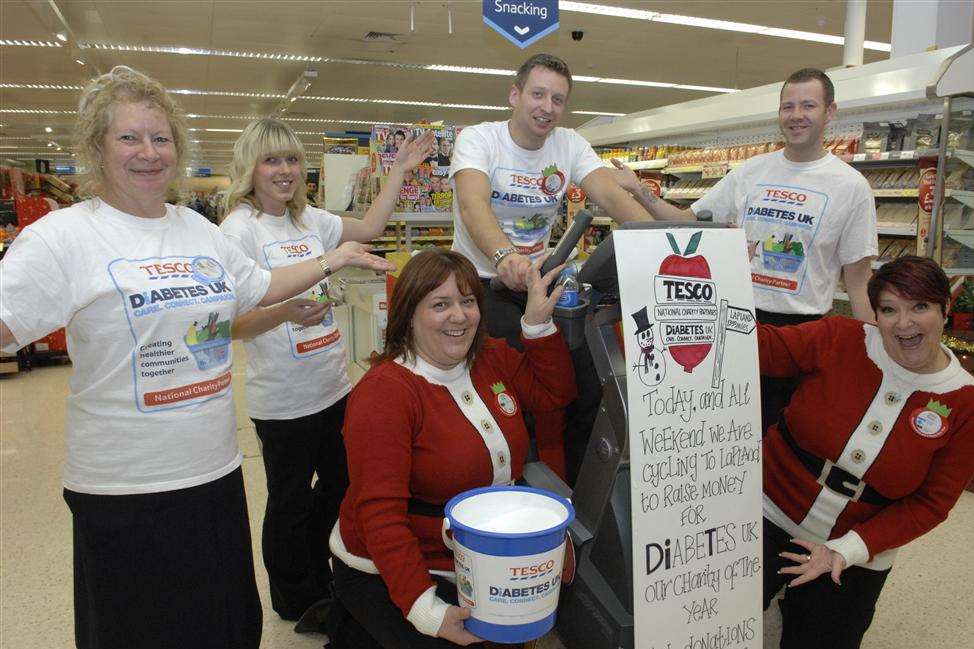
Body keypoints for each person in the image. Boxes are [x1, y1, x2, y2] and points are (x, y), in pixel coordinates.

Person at [0, 65, 394, 649]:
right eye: (128, 137)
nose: (148, 153)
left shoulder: (197, 231)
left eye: (161, 138)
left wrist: (333, 260)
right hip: (123, 484)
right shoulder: (65, 237)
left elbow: (258, 287)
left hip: (212, 468)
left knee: (225, 625)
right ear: (96, 147)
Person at [220, 117, 434, 622]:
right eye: (272, 159)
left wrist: (400, 170)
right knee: (289, 503)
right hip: (283, 400)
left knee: (342, 487)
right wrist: (284, 312)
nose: (285, 170)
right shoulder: (237, 231)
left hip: (334, 387)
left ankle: (324, 572)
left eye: (293, 159)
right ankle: (294, 598)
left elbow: (371, 228)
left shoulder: (309, 221)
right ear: (251, 167)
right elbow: (230, 325)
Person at [328, 250, 576, 648]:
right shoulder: (385, 393)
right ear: (408, 314)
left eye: (468, 301)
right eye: (440, 304)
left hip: (476, 560)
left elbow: (554, 393)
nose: (459, 316)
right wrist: (425, 610)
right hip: (392, 568)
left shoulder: (488, 356)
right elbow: (379, 514)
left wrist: (535, 323)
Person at [613, 67, 878, 436]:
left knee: (784, 431)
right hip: (737, 321)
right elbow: (687, 221)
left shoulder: (852, 187)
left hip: (803, 332)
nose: (796, 115)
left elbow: (859, 281)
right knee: (727, 428)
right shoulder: (751, 172)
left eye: (808, 105)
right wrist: (638, 190)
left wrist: (874, 350)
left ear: (829, 112)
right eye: (788, 106)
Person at [450, 52, 653, 484]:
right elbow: (473, 203)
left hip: (541, 284)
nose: (547, 107)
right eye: (538, 94)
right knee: (508, 394)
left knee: (582, 388)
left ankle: (582, 492)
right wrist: (505, 256)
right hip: (484, 283)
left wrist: (665, 239)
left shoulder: (569, 144)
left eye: (557, 99)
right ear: (515, 95)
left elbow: (612, 197)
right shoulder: (479, 139)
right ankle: (512, 485)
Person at [759, 256, 974, 649]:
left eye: (920, 307)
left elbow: (932, 503)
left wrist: (848, 549)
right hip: (766, 508)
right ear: (875, 314)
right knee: (706, 616)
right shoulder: (840, 337)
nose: (904, 323)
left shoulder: (966, 402)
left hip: (856, 547)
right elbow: (762, 347)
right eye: (889, 309)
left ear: (946, 308)